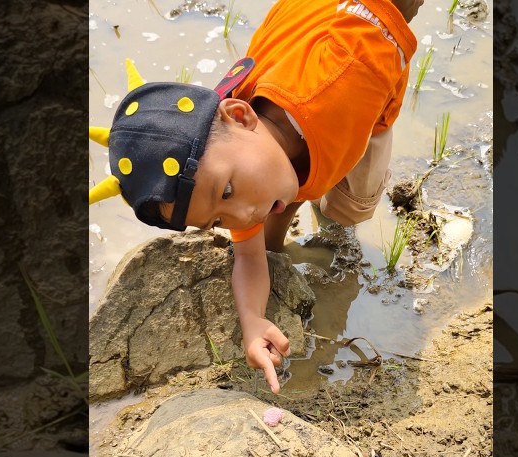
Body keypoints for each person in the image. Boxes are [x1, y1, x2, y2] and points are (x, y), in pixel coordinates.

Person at [89, 0, 423, 393]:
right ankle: (294, 201)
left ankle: (323, 204)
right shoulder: (230, 167)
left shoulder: (348, 71)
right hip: (296, 124)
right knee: (271, 217)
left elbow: (390, 13)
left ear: (241, 115)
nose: (242, 216)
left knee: (350, 208)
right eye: (217, 221)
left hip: (361, 103)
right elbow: (249, 256)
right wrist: (252, 321)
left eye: (226, 192)